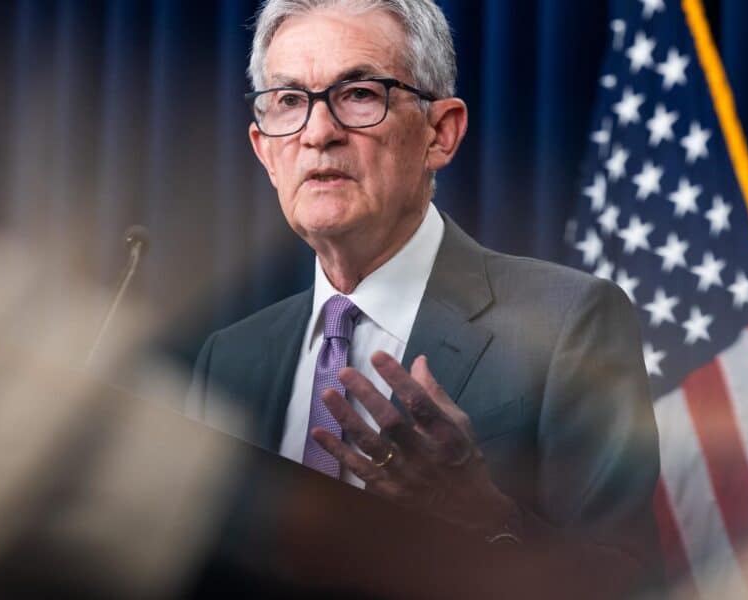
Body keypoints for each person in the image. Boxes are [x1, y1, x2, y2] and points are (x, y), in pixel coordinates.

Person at [188, 0, 662, 587]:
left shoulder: (568, 321)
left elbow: (635, 583)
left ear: (440, 133)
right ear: (265, 151)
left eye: (359, 93)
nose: (317, 132)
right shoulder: (228, 357)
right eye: (289, 101)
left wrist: (486, 517)